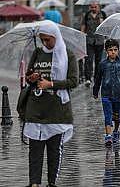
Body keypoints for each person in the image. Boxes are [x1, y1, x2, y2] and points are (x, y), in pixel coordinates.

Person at [23, 21, 78, 187]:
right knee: (35, 150)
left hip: (57, 110)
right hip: (36, 108)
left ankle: (51, 183)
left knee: (54, 150)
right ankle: (34, 183)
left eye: (48, 40)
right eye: (42, 40)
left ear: (55, 37)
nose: (45, 43)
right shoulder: (37, 52)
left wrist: (51, 84)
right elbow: (29, 75)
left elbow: (73, 81)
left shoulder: (68, 55)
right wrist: (31, 78)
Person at [93, 39, 120, 146]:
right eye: (110, 50)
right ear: (106, 51)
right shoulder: (103, 64)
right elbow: (98, 78)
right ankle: (108, 135)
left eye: (115, 50)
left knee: (117, 116)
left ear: (118, 50)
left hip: (118, 94)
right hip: (106, 94)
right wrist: (95, 91)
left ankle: (116, 131)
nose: (113, 52)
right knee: (108, 115)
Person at [81, 2, 107, 87]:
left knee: (98, 61)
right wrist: (82, 34)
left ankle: (97, 78)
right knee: (88, 59)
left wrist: (106, 36)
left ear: (99, 7)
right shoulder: (87, 15)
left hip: (99, 41)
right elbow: (83, 25)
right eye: (92, 7)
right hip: (89, 40)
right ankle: (88, 78)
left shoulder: (103, 14)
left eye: (95, 7)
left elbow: (106, 26)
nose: (93, 9)